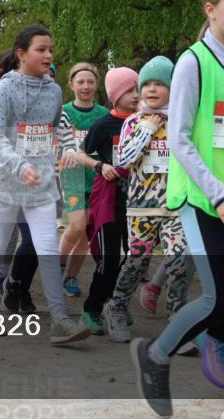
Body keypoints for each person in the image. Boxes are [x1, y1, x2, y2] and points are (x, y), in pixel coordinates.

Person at [130, 0, 224, 419]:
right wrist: (219, 194)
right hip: (204, 198)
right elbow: (181, 139)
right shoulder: (193, 62)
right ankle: (156, 354)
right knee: (218, 299)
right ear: (210, 10)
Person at [0, 25, 91, 345]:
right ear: (22, 54)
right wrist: (20, 165)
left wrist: (67, 149)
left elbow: (61, 127)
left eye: (51, 49)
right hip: (5, 180)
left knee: (48, 247)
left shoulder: (53, 91)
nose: (49, 55)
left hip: (40, 183)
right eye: (41, 49)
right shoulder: (6, 89)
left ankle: (62, 321)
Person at [105, 56, 193, 349]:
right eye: (147, 85)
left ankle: (177, 325)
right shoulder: (133, 122)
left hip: (177, 205)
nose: (152, 90)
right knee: (137, 260)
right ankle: (116, 307)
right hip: (142, 206)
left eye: (160, 84)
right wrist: (147, 130)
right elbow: (123, 162)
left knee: (179, 261)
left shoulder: (185, 119)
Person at [69, 67, 139, 335]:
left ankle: (117, 302)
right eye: (129, 90)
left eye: (138, 89)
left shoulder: (146, 121)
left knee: (135, 258)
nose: (136, 95)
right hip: (109, 199)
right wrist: (99, 166)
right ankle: (92, 308)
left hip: (138, 200)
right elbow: (79, 154)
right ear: (115, 95)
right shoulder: (104, 124)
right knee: (109, 257)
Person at [56, 62, 108, 297]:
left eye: (90, 81)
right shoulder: (64, 112)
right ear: (72, 85)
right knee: (76, 225)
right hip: (73, 177)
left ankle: (71, 278)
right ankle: (57, 266)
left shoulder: (104, 115)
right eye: (81, 82)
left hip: (98, 179)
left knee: (88, 232)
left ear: (96, 85)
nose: (86, 86)